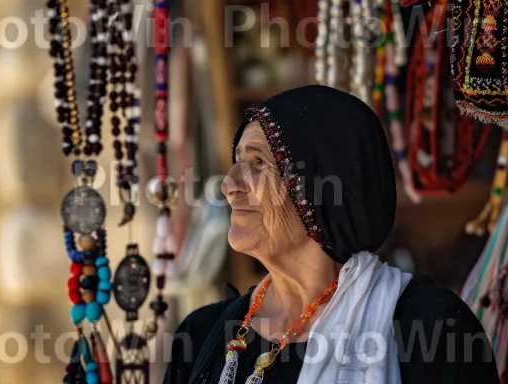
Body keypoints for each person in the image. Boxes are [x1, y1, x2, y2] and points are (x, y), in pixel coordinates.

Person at [162, 85, 500, 383]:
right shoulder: (201, 334)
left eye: (258, 163)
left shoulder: (431, 331)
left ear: (316, 188)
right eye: (236, 162)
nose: (229, 184)